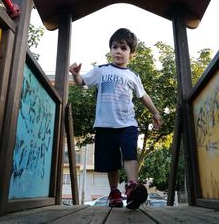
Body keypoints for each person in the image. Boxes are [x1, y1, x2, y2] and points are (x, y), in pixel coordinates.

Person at [69, 28, 162, 209]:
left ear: (131, 53)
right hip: (105, 125)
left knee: (129, 153)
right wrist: (76, 74)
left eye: (124, 48)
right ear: (110, 50)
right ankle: (114, 193)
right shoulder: (101, 70)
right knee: (112, 162)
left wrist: (155, 112)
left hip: (127, 123)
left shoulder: (133, 76)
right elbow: (82, 83)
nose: (118, 51)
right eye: (115, 47)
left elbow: (143, 96)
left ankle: (133, 186)